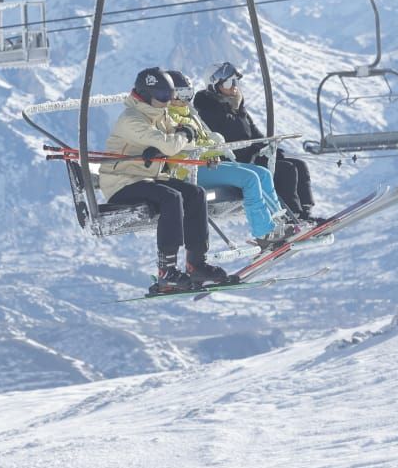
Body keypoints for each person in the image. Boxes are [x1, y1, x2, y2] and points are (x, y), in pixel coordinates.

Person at [98, 67, 229, 294]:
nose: (167, 102)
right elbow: (172, 144)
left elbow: (186, 143)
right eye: (161, 97)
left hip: (148, 178)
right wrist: (181, 135)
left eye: (169, 96)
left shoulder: (160, 114)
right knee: (171, 197)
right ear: (146, 95)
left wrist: (180, 137)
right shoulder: (132, 119)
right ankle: (166, 271)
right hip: (121, 183)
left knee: (194, 193)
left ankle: (196, 263)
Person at [164, 70, 297, 250]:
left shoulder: (189, 113)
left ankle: (278, 221)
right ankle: (264, 233)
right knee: (249, 179)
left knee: (263, 173)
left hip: (208, 163)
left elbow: (204, 139)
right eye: (180, 94)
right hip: (188, 170)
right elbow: (182, 144)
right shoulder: (167, 116)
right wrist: (210, 144)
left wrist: (213, 142)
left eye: (188, 93)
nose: (184, 98)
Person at [192, 61, 325, 224]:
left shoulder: (236, 107)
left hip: (249, 158)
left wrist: (271, 150)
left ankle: (305, 212)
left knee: (299, 165)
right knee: (285, 170)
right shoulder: (208, 112)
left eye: (236, 81)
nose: (234, 86)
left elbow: (254, 133)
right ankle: (292, 217)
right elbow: (226, 137)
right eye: (228, 82)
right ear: (214, 86)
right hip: (232, 162)